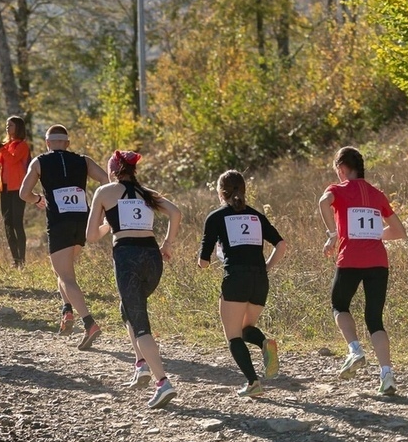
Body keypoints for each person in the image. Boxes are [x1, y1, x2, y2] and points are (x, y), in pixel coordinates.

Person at [86, 150, 182, 409]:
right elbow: (176, 213)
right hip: (153, 258)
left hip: (127, 257)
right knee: (127, 309)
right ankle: (141, 366)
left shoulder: (104, 192)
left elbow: (92, 235)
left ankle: (162, 382)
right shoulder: (147, 194)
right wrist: (168, 244)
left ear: (113, 170)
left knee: (140, 321)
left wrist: (108, 223)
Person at [317, 146, 407, 396]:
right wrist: (374, 234)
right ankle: (387, 375)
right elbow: (400, 232)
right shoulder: (377, 194)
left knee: (339, 304)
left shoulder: (338, 189)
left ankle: (355, 349)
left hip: (350, 259)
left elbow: (323, 203)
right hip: (378, 262)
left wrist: (333, 234)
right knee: (374, 318)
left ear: (342, 168)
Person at [198, 170, 287, 398]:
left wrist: (213, 257)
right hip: (259, 280)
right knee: (247, 329)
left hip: (236, 279)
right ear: (244, 190)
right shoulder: (256, 216)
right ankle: (265, 342)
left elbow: (204, 262)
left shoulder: (216, 217)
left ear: (220, 192)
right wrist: (265, 268)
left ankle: (252, 382)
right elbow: (282, 245)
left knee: (234, 336)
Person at [19, 125, 109, 342]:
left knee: (67, 276)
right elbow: (106, 180)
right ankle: (66, 309)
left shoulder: (39, 161)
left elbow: (24, 193)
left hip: (59, 223)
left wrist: (38, 199)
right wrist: (101, 208)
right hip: (82, 221)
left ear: (47, 143)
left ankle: (89, 323)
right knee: (62, 271)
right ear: (67, 143)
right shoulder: (83, 160)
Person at [0, 116, 33, 267]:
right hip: (5, 188)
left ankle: (22, 259)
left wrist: (0, 145)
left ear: (18, 127)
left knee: (17, 223)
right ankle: (15, 260)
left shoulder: (22, 145)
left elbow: (13, 159)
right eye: (7, 125)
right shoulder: (6, 145)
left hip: (18, 188)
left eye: (11, 125)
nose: (7, 127)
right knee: (7, 223)